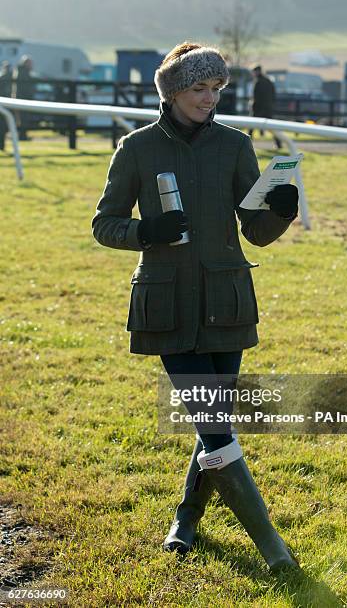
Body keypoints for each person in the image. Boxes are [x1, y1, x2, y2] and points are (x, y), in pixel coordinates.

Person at [92, 42, 299, 573]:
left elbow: (254, 231)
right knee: (215, 423)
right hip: (168, 306)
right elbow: (104, 224)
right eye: (199, 89)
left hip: (227, 302)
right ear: (173, 91)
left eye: (216, 89)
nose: (210, 98)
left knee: (215, 421)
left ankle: (186, 517)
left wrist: (280, 212)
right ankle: (272, 547)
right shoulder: (135, 149)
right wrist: (145, 231)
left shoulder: (235, 146)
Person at [250, 65, 282, 149]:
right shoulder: (269, 81)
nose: (252, 74)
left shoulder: (258, 82)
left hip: (258, 109)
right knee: (272, 128)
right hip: (268, 108)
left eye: (253, 72)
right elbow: (273, 95)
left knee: (251, 128)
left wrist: (253, 108)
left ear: (257, 72)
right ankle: (279, 144)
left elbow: (256, 97)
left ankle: (247, 145)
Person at [13, 55, 35, 140]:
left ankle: (22, 135)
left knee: (22, 118)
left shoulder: (21, 71)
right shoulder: (23, 72)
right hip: (22, 98)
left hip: (22, 98)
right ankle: (22, 136)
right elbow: (25, 87)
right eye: (29, 63)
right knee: (22, 118)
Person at [0, 61, 13, 151]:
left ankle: (2, 145)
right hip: (3, 104)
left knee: (4, 126)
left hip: (6, 104)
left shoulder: (9, 77)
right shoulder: (4, 77)